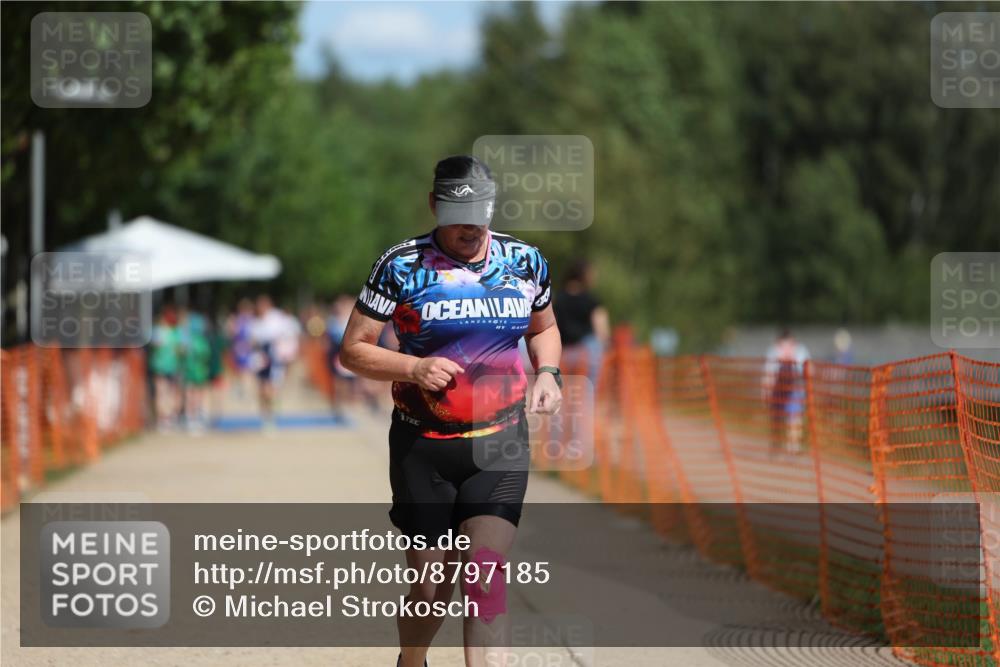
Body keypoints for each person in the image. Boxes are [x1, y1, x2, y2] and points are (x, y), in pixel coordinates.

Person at [339, 155, 562, 667]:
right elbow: (354, 349)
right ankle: (411, 660)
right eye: (459, 216)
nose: (472, 227)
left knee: (486, 577)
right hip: (424, 446)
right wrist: (412, 369)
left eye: (481, 214)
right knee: (430, 588)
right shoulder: (400, 265)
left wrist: (547, 373)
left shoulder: (525, 261)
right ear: (434, 205)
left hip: (500, 441)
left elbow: (544, 329)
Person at [552, 259, 609, 382]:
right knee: (587, 385)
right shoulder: (592, 301)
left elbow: (550, 325)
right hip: (586, 351)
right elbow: (602, 331)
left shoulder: (557, 299)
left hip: (563, 351)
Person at [762, 329, 811, 456]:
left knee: (794, 419)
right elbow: (769, 373)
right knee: (778, 419)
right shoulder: (774, 351)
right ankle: (779, 444)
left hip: (795, 388)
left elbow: (807, 371)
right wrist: (766, 390)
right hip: (778, 389)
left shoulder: (800, 351)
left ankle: (792, 447)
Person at [149, 305, 181, 431]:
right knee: (168, 393)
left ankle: (163, 419)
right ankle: (168, 418)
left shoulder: (158, 332)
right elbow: (181, 350)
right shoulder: (175, 333)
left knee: (162, 393)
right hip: (169, 366)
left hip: (162, 367)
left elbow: (155, 346)